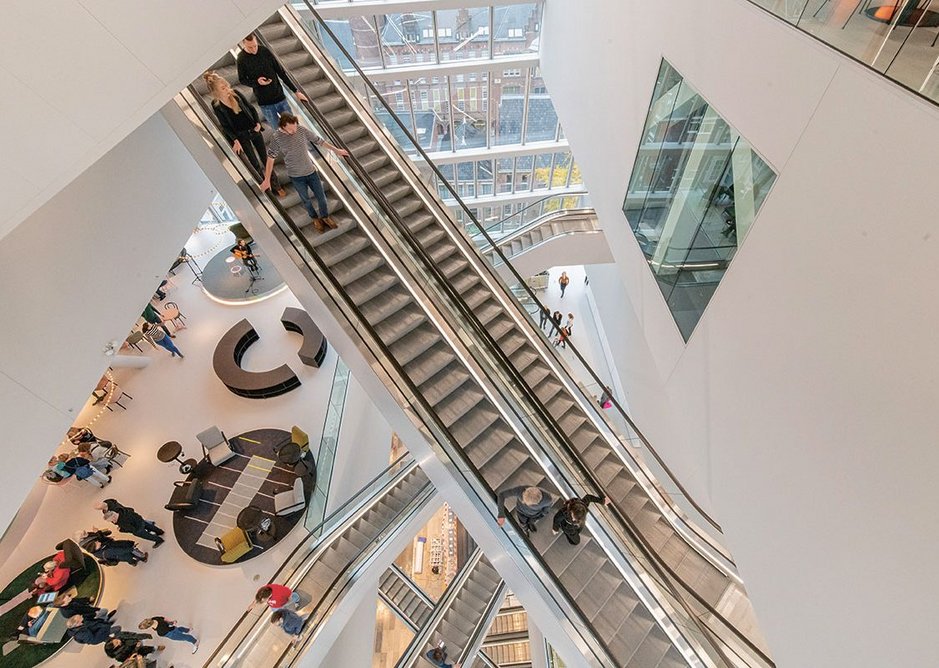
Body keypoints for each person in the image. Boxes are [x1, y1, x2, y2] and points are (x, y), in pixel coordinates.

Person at [260, 113, 349, 233]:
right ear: (283, 126)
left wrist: (336, 150)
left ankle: (325, 216)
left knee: (321, 197)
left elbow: (319, 141)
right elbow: (270, 159)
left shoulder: (301, 130)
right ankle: (315, 218)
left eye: (295, 127)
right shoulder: (277, 137)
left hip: (311, 172)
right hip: (296, 176)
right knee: (306, 200)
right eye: (291, 129)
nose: (294, 130)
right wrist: (266, 179)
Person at [204, 71, 284, 194]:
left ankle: (276, 186)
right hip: (241, 136)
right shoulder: (216, 105)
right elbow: (225, 126)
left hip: (254, 129)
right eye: (222, 87)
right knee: (254, 163)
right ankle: (265, 189)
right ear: (216, 91)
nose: (226, 88)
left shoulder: (235, 94)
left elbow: (251, 108)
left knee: (265, 158)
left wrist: (257, 123)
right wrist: (235, 140)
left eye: (226, 85)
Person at [236, 33, 308, 130]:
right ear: (244, 44)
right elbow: (242, 80)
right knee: (279, 132)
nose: (254, 49)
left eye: (255, 46)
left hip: (280, 98)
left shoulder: (265, 51)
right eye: (250, 47)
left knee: (294, 127)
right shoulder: (241, 59)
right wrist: (257, 82)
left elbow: (281, 72)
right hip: (265, 103)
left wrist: (296, 91)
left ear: (256, 41)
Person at [78, 529, 148, 567]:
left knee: (128, 558)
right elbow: (118, 551)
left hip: (117, 554)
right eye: (96, 543)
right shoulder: (105, 552)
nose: (98, 541)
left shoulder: (96, 551)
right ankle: (143, 558)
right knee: (130, 555)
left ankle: (133, 562)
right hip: (119, 553)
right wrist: (130, 549)